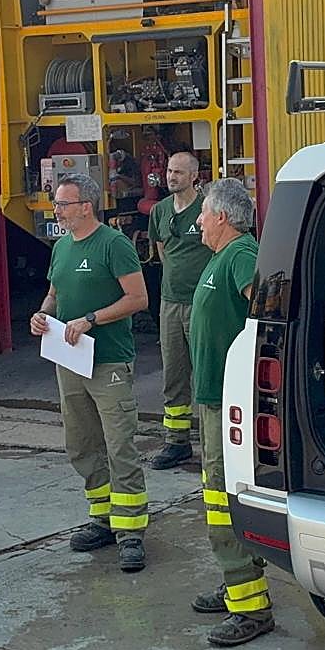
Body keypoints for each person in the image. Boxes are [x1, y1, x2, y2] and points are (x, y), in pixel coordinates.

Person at [29, 174, 150, 572]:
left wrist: (92, 319)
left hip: (108, 360)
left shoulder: (113, 245)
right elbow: (55, 293)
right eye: (56, 204)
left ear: (86, 206)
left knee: (119, 445)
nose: (56, 211)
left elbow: (138, 298)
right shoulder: (62, 247)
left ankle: (130, 532)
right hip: (70, 360)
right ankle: (102, 519)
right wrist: (42, 314)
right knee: (82, 443)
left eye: (63, 204)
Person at [188, 178, 274, 646]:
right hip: (214, 398)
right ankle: (237, 585)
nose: (199, 220)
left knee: (222, 498)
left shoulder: (240, 253)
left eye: (204, 212)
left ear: (222, 217)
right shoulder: (221, 257)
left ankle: (251, 607)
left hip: (229, 401)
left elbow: (265, 311)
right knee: (221, 495)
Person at [147, 151, 212, 470]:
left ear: (194, 177)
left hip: (202, 304)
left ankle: (213, 443)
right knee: (174, 374)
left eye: (179, 172)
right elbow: (163, 252)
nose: (171, 177)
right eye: (170, 171)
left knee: (206, 373)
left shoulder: (207, 210)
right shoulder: (159, 211)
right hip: (170, 303)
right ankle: (177, 442)